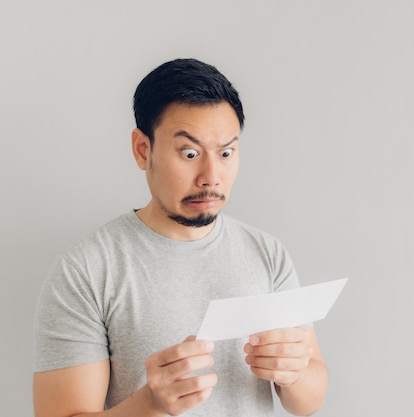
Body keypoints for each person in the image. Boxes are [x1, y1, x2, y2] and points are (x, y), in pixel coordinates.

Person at [33, 58, 329, 417]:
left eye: (225, 153)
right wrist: (150, 403)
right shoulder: (85, 270)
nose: (210, 176)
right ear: (144, 150)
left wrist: (294, 375)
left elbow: (309, 400)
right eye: (189, 153)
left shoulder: (267, 252)